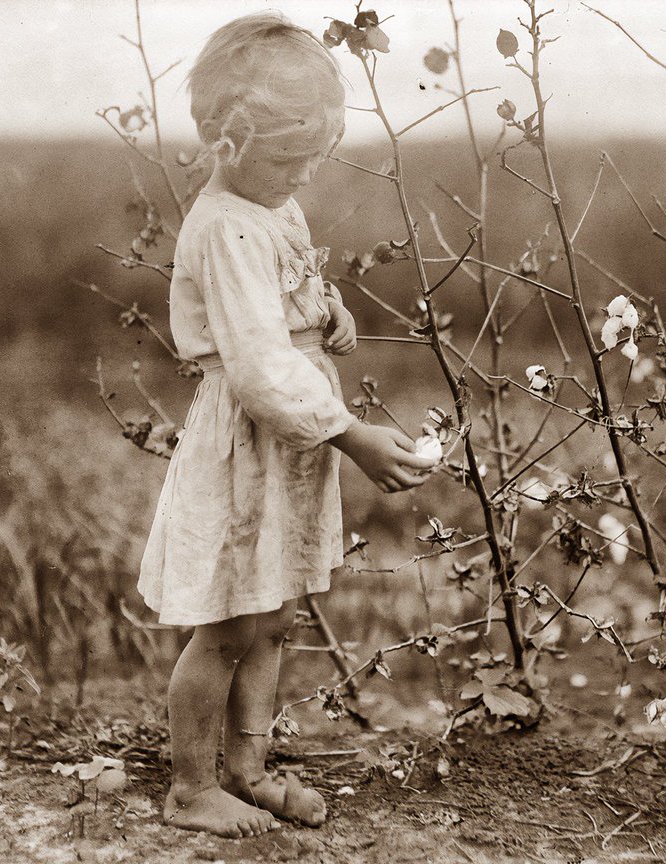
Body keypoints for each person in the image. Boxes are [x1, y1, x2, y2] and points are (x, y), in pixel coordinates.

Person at [138, 11, 435, 839]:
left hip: (285, 442)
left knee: (272, 611)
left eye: (314, 156)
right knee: (229, 621)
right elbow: (261, 367)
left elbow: (287, 300)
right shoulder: (227, 224)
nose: (301, 174)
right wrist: (351, 434)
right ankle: (193, 787)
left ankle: (247, 767)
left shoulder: (272, 208)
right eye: (283, 157)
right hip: (251, 438)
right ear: (224, 143)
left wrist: (326, 310)